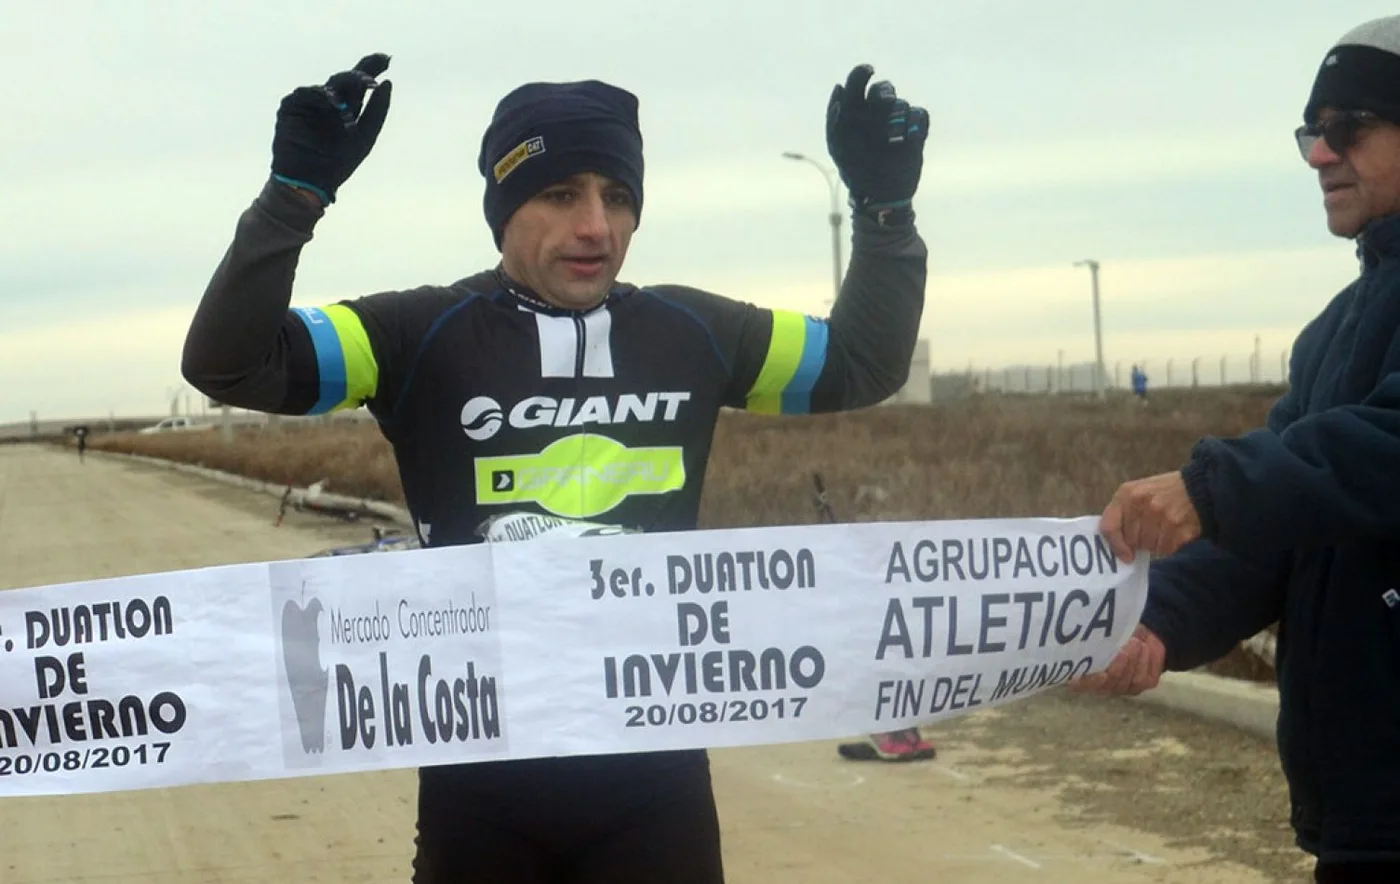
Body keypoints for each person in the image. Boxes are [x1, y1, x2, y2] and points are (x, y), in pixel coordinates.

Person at [181, 54, 929, 884]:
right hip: (482, 785)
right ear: (504, 211)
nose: (596, 227)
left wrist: (885, 212)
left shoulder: (693, 333)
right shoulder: (418, 335)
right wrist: (292, 199)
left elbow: (863, 362)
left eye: (617, 197)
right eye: (561, 194)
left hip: (656, 781)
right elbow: (230, 363)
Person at [1073, 14, 1400, 883]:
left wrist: (1211, 486)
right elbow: (1286, 532)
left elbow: (1388, 448)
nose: (1321, 156)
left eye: (1349, 129)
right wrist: (1156, 623)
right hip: (1368, 815)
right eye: (1312, 133)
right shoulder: (1336, 331)